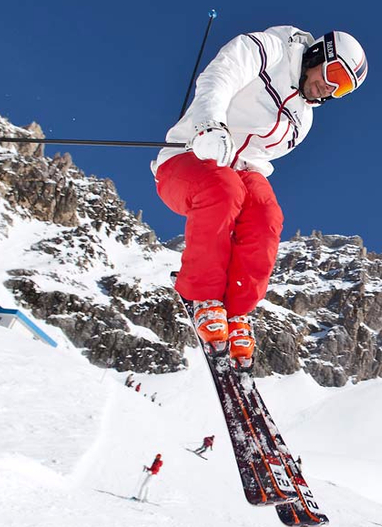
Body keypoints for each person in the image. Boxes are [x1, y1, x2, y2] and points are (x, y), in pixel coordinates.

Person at [153, 26, 368, 371]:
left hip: (237, 172)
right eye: (335, 74)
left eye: (342, 88)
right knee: (224, 187)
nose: (330, 88)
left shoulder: (303, 120)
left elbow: (254, 162)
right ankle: (202, 296)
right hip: (188, 161)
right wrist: (209, 125)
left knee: (267, 216)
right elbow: (220, 76)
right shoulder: (271, 50)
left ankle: (237, 313)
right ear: (318, 54)